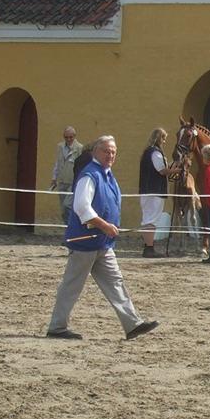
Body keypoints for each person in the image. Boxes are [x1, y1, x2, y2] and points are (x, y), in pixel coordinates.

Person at [46, 135, 159, 341]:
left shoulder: (108, 175)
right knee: (72, 286)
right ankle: (57, 326)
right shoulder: (89, 175)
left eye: (113, 152)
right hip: (84, 242)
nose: (110, 155)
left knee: (116, 282)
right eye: (106, 151)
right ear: (96, 152)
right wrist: (105, 225)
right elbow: (82, 208)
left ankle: (132, 324)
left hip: (103, 243)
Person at [138, 128, 169, 258]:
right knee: (151, 219)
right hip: (153, 190)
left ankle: (148, 246)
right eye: (163, 138)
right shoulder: (155, 153)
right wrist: (176, 170)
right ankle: (149, 248)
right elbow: (161, 170)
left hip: (147, 190)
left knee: (148, 219)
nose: (164, 141)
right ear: (158, 138)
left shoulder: (148, 152)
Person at [50, 126, 82, 224]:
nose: (68, 139)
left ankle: (73, 226)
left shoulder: (79, 148)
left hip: (73, 182)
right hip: (62, 181)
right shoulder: (60, 146)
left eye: (71, 137)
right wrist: (54, 178)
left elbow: (81, 165)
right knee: (63, 210)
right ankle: (68, 228)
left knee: (67, 205)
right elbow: (57, 163)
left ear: (74, 136)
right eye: (66, 137)